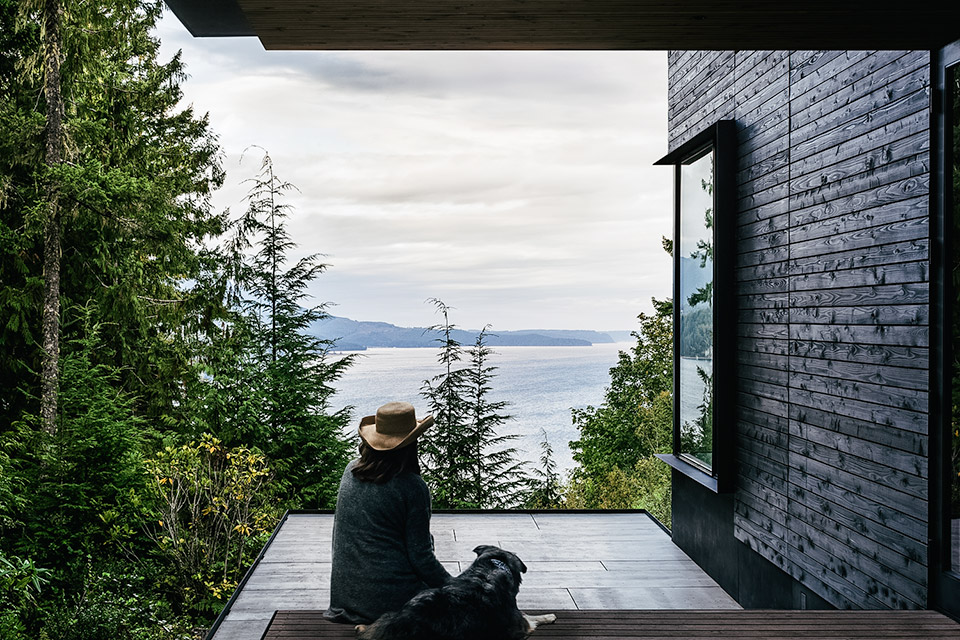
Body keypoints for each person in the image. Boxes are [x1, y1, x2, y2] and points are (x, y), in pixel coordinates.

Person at [324, 401, 452, 625]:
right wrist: (455, 586)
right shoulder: (412, 487)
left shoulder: (351, 470)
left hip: (345, 599)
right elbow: (421, 558)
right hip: (391, 604)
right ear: (411, 443)